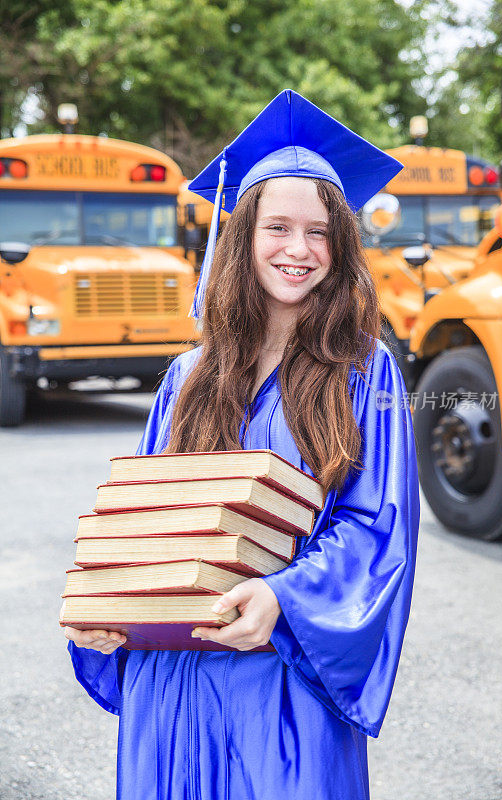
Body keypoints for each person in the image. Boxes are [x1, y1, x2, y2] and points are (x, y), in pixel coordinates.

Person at [64, 89, 420, 800]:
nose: (298, 249)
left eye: (319, 232)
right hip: (173, 679)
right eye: (277, 227)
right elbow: (144, 521)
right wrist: (104, 611)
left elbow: (376, 526)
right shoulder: (185, 376)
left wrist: (285, 600)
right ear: (240, 237)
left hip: (281, 678)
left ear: (341, 244)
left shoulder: (364, 371)